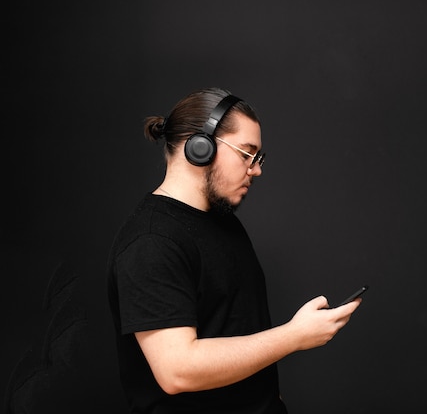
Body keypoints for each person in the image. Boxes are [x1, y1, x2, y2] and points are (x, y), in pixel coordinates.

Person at [106, 87, 362, 414]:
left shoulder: (224, 223)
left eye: (258, 158)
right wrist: (293, 337)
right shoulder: (152, 241)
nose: (256, 170)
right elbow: (177, 370)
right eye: (246, 154)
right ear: (200, 147)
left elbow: (239, 331)